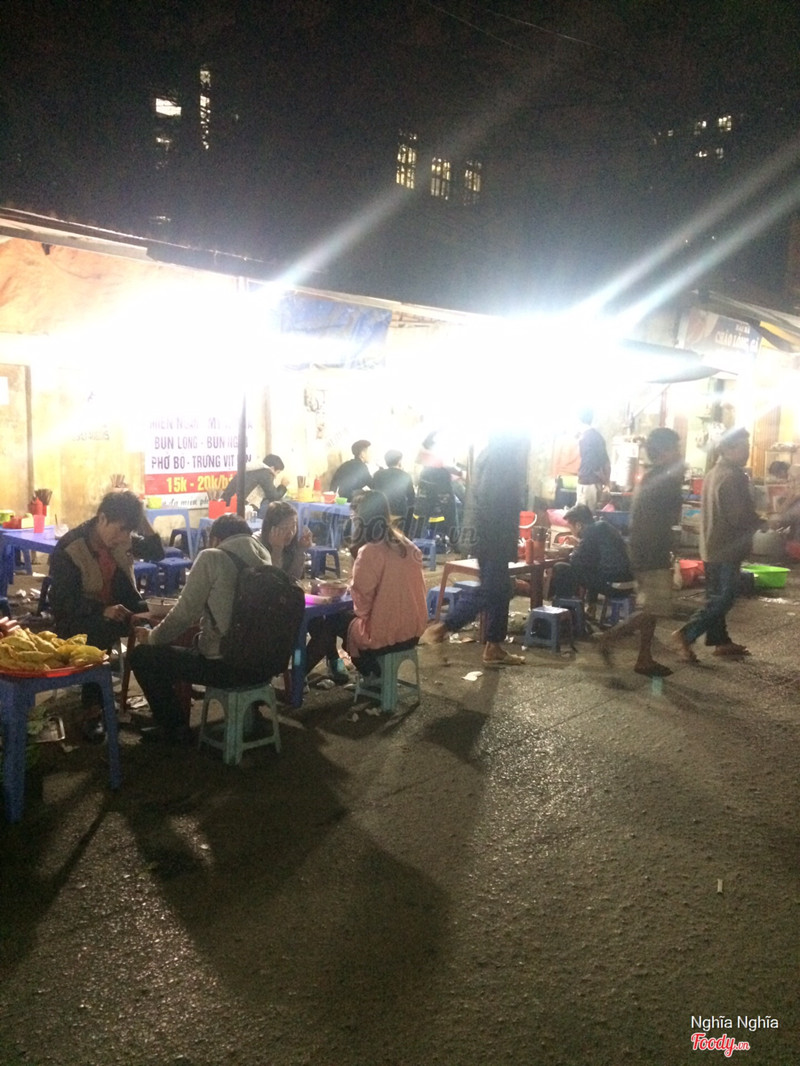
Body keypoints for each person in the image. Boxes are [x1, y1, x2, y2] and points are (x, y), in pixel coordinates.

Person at [129, 514, 273, 744]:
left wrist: (151, 637)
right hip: (264, 666)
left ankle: (175, 728)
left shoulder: (212, 557)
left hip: (227, 667)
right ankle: (250, 713)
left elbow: (183, 615)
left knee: (143, 656)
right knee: (188, 647)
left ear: (214, 539)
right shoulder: (265, 557)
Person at [49, 490, 163, 741]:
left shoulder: (123, 539)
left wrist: (140, 517)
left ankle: (166, 711)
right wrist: (101, 609)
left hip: (118, 609)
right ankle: (92, 710)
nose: (123, 537)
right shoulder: (70, 548)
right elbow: (62, 602)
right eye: (120, 529)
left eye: (128, 531)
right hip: (77, 619)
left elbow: (157, 552)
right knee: (102, 629)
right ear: (102, 518)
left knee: (159, 619)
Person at [422, 433, 529, 667]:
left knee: (501, 589)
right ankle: (442, 628)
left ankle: (494, 647)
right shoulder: (500, 459)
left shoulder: (493, 455)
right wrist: (501, 539)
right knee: (492, 589)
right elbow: (495, 501)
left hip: (492, 535)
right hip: (493, 536)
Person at [302, 489, 428, 678]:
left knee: (331, 622)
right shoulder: (408, 545)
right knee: (340, 621)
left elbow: (362, 606)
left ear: (360, 520)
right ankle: (336, 668)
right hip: (413, 632)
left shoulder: (370, 551)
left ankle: (298, 677)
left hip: (385, 637)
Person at [595, 428, 684, 676]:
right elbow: (668, 517)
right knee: (654, 608)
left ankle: (644, 658)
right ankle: (610, 638)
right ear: (664, 452)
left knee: (652, 609)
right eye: (676, 448)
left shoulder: (652, 477)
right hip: (651, 551)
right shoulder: (664, 480)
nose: (679, 454)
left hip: (643, 548)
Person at [673, 427, 765, 662]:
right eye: (744, 447)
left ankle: (720, 640)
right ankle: (686, 633)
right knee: (724, 597)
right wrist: (761, 522)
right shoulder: (733, 476)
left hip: (711, 545)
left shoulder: (715, 472)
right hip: (726, 547)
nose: (747, 452)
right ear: (728, 449)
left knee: (715, 596)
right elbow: (738, 517)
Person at [549, 504, 633, 619]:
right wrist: (580, 544)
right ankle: (589, 608)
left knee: (561, 567)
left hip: (614, 585)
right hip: (629, 583)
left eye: (571, 527)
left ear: (578, 525)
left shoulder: (590, 532)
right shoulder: (603, 527)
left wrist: (573, 550)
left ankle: (565, 610)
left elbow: (576, 561)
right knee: (591, 568)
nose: (571, 531)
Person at [260, 500, 312, 582]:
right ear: (271, 528)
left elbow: (293, 580)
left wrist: (301, 550)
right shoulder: (257, 544)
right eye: (285, 527)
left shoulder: (292, 545)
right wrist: (276, 550)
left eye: (293, 526)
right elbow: (271, 582)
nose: (291, 532)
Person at [221, 453, 289, 512]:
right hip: (242, 508)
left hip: (226, 504)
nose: (276, 476)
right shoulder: (265, 473)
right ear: (272, 468)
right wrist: (283, 486)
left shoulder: (252, 468)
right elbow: (273, 497)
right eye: (277, 472)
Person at [372, 449, 415, 533]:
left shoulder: (378, 474)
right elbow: (411, 497)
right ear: (399, 461)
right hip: (398, 513)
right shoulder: (405, 476)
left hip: (380, 511)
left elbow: (373, 492)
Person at [576, 409, 611, 512]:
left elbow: (590, 463)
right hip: (595, 483)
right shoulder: (597, 437)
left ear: (579, 420)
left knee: (583, 516)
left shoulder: (585, 438)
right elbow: (606, 462)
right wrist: (606, 482)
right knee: (590, 515)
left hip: (587, 484)